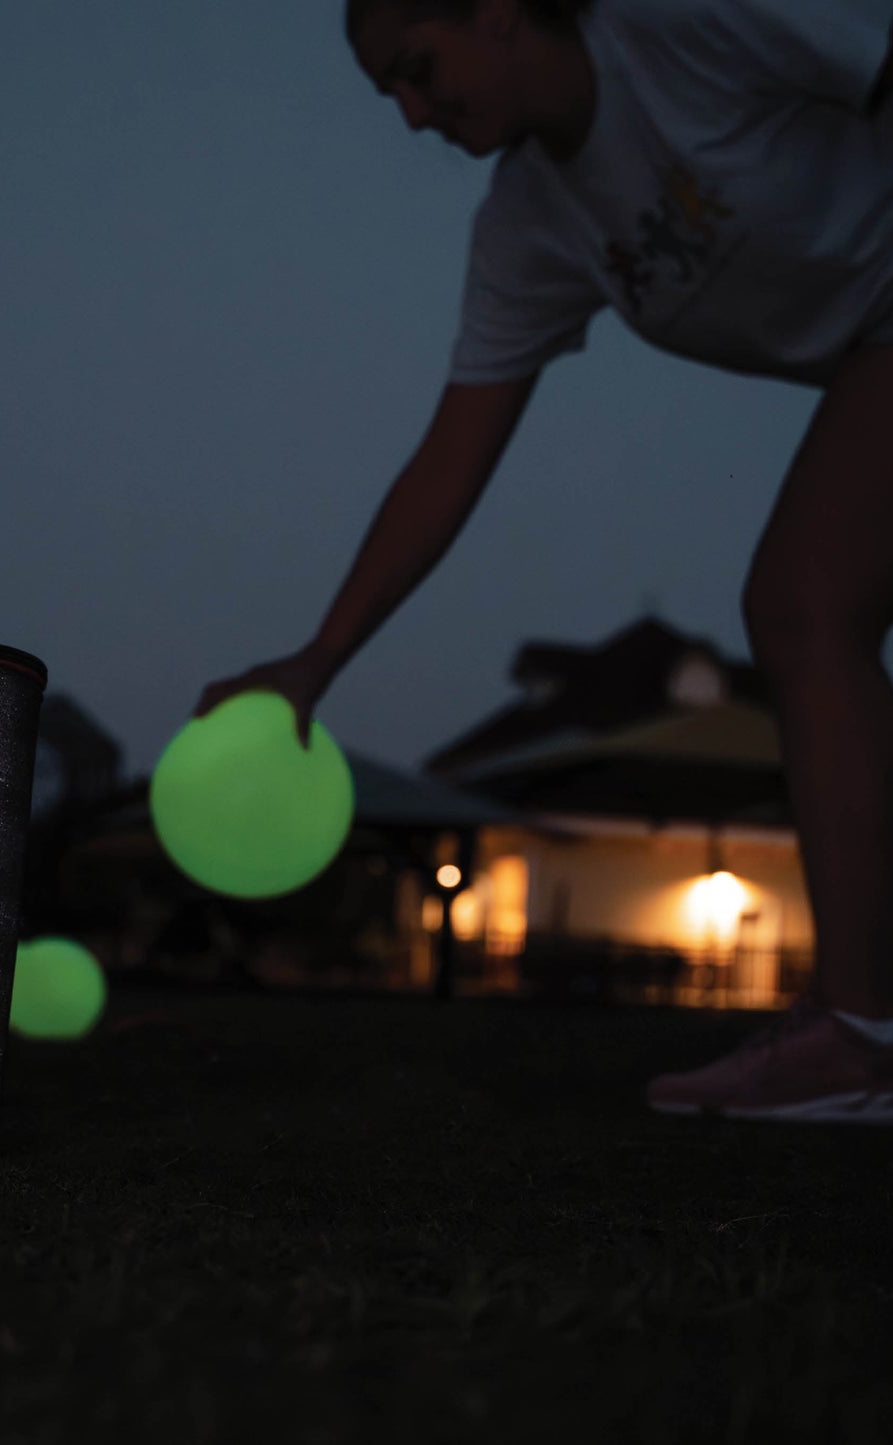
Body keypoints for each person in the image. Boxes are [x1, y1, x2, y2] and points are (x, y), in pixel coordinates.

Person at [194, 0, 893, 1124]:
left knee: (804, 602)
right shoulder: (530, 224)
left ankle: (860, 1034)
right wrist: (317, 659)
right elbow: (448, 459)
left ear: (498, 11)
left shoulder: (680, 27)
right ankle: (862, 1031)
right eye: (391, 97)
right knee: (807, 605)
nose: (413, 114)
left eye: (418, 70)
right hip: (876, 345)